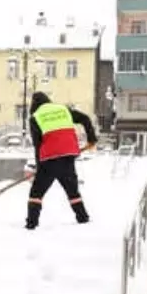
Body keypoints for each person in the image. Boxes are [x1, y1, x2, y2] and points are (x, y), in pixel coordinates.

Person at [25, 91, 97, 230]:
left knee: (36, 193)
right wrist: (92, 138)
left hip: (49, 159)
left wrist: (40, 167)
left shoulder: (35, 117)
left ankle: (31, 223)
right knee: (72, 191)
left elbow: (37, 144)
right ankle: (83, 219)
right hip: (68, 156)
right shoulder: (63, 110)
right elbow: (85, 119)